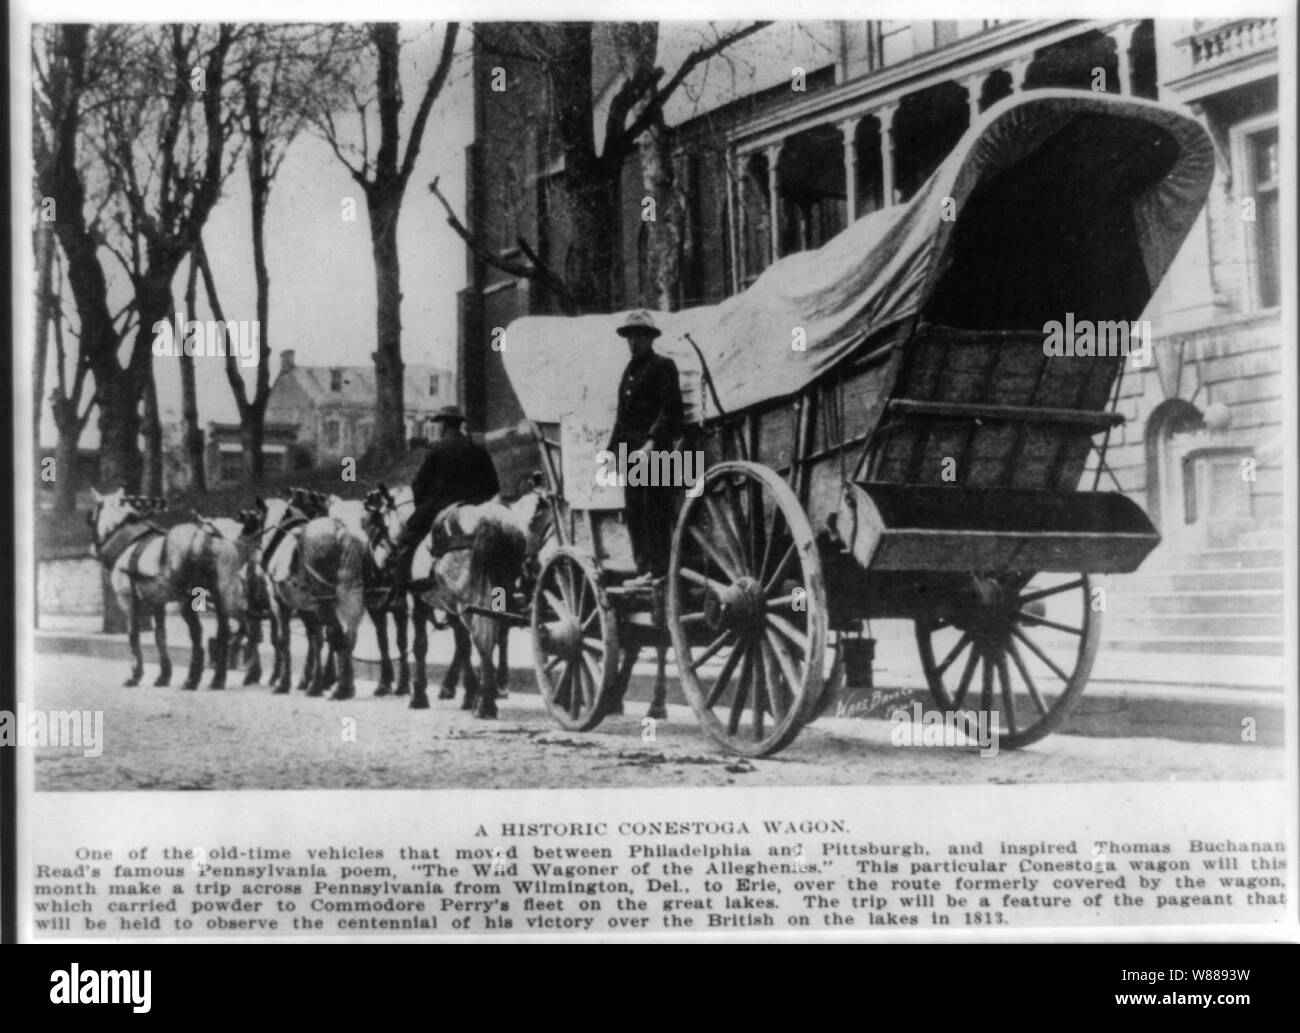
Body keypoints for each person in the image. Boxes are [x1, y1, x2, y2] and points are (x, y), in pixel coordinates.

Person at [607, 310, 684, 586]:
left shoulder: (663, 366)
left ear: (650, 338)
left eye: (639, 336)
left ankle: (658, 569)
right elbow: (622, 417)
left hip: (656, 453)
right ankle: (642, 570)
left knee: (654, 509)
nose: (633, 341)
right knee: (634, 510)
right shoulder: (628, 373)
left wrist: (652, 442)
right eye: (629, 336)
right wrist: (611, 452)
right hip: (630, 454)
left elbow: (670, 408)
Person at [391, 405, 500, 581]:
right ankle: (501, 599)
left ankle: (399, 595)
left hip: (440, 506)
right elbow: (493, 486)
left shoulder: (437, 449)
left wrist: (423, 506)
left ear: (444, 425)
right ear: (459, 425)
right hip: (474, 506)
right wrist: (476, 502)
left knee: (406, 541)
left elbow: (419, 485)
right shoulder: (478, 449)